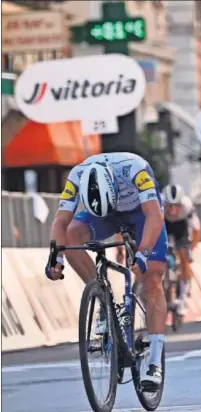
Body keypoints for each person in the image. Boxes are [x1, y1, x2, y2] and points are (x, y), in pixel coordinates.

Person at [45, 152, 167, 389]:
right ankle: (102, 298)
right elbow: (60, 221)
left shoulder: (135, 170)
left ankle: (154, 362)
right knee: (71, 236)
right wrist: (56, 256)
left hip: (141, 213)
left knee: (152, 277)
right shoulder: (77, 175)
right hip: (102, 214)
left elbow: (154, 215)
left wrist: (142, 253)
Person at [162, 183, 201, 316]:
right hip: (165, 225)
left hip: (181, 226)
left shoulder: (187, 206)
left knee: (184, 255)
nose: (173, 210)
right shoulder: (158, 205)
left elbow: (196, 230)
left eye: (176, 206)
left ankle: (182, 297)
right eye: (169, 206)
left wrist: (191, 247)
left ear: (181, 203)